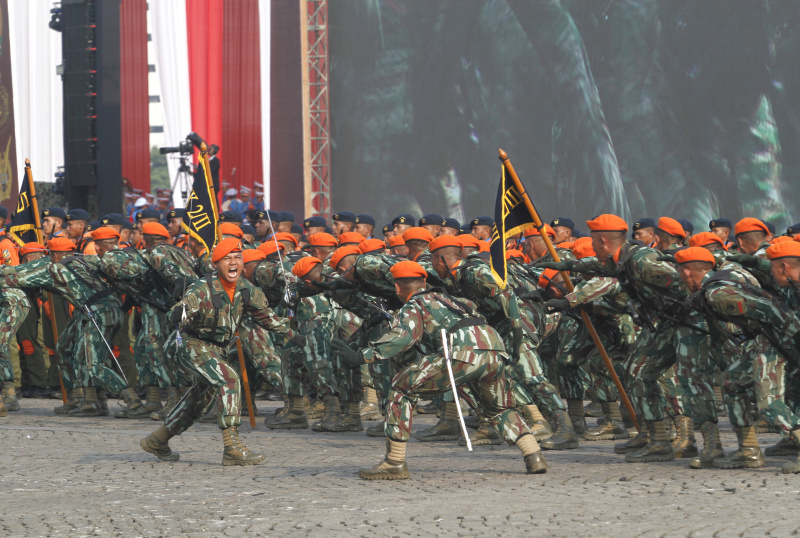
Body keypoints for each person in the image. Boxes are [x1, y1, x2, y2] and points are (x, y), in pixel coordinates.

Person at [332, 260, 546, 479]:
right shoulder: (455, 300)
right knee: (498, 409)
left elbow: (403, 337)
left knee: (400, 388)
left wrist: (362, 356)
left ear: (396, 287)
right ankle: (533, 455)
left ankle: (394, 462)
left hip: (461, 352)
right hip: (493, 348)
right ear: (424, 281)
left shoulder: (415, 305)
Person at [140, 238, 292, 466]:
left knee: (199, 401)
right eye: (227, 259)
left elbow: (267, 318)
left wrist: (294, 335)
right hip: (191, 345)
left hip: (216, 350)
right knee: (229, 379)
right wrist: (179, 312)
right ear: (216, 264)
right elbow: (184, 309)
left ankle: (158, 440)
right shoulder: (203, 287)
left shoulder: (246, 289)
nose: (233, 263)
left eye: (237, 258)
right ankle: (232, 447)